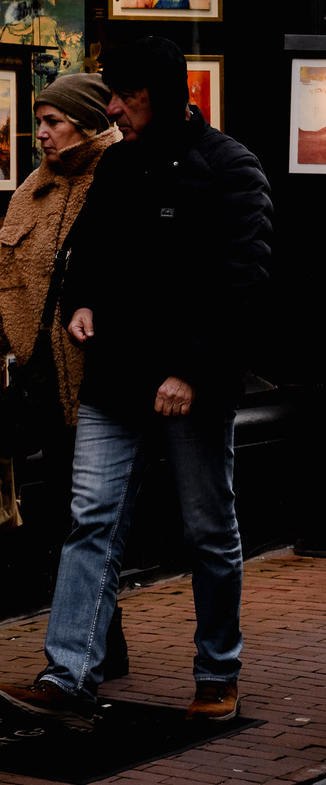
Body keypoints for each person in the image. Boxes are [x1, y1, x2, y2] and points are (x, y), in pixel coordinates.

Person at [0, 38, 272, 733]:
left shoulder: (231, 167)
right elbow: (88, 254)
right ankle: (68, 675)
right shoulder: (118, 164)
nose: (114, 109)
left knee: (208, 529)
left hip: (190, 388)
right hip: (115, 380)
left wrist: (191, 371)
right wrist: (80, 304)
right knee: (91, 519)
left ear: (163, 92)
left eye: (127, 95)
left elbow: (242, 284)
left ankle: (217, 673)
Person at [0, 75, 125, 668]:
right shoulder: (33, 188)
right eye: (39, 122)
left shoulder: (119, 175)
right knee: (61, 514)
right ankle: (98, 643)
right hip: (41, 378)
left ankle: (92, 648)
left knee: (93, 516)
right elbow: (7, 276)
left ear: (89, 121)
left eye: (54, 122)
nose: (42, 134)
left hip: (103, 380)